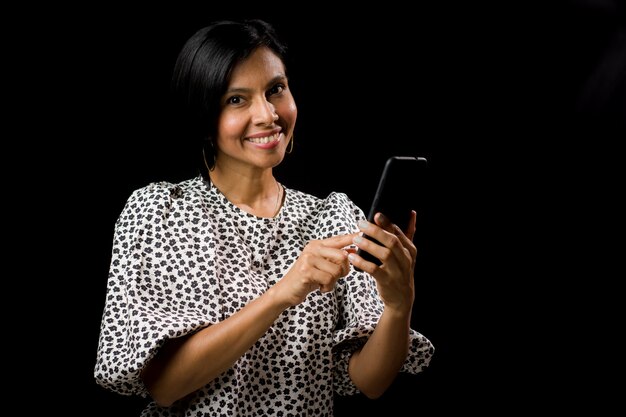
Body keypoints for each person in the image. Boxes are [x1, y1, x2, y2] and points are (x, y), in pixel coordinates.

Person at [94, 18, 434, 416]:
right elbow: (166, 386)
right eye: (236, 99)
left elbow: (369, 381)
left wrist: (398, 305)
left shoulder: (333, 216)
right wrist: (282, 293)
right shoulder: (160, 212)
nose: (268, 114)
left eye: (276, 89)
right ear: (204, 115)